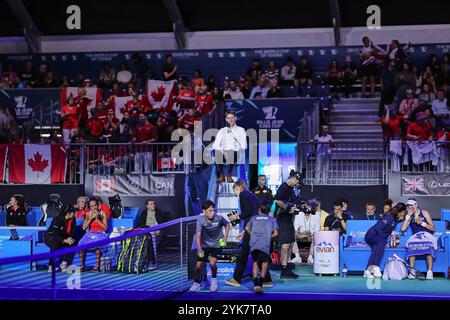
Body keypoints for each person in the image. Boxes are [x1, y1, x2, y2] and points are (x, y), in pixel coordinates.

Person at [225, 180, 274, 287]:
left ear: (237, 188)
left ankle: (236, 279)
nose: (234, 194)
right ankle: (267, 280)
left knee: (243, 254)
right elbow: (252, 213)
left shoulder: (243, 195)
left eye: (234, 191)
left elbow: (247, 212)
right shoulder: (251, 195)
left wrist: (236, 217)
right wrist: (244, 231)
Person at [189, 200, 229, 292]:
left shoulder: (219, 218)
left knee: (212, 263)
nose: (212, 212)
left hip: (217, 244)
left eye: (213, 210)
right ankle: (196, 283)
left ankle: (214, 280)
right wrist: (199, 248)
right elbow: (198, 235)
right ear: (204, 211)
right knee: (198, 266)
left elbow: (227, 225)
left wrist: (225, 239)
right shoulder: (200, 220)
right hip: (204, 244)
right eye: (210, 211)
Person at [364, 202, 406, 279]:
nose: (404, 214)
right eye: (404, 212)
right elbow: (378, 228)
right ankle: (376, 267)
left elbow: (394, 222)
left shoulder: (395, 218)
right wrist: (383, 239)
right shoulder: (390, 217)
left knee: (375, 250)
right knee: (381, 243)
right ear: (402, 212)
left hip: (375, 237)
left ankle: (367, 271)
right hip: (371, 235)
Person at [273, 170, 302, 279]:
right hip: (282, 219)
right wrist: (288, 208)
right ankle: (284, 270)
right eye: (297, 181)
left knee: (290, 243)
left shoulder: (290, 189)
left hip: (288, 219)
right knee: (285, 244)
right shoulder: (283, 187)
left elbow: (291, 201)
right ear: (293, 178)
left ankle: (286, 267)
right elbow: (277, 201)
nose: (297, 184)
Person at [245, 205, 278, 294]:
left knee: (255, 262)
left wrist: (252, 235)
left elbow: (246, 228)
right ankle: (260, 284)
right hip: (264, 244)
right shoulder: (271, 219)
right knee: (264, 264)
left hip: (254, 243)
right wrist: (268, 237)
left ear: (259, 210)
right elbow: (275, 233)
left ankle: (255, 285)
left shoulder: (253, 218)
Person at [401, 198, 436, 280]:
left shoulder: (424, 212)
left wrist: (422, 224)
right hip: (416, 236)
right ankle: (412, 271)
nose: (410, 207)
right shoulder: (408, 215)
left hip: (427, 235)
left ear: (416, 205)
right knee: (411, 245)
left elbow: (433, 228)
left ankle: (429, 272)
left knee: (429, 246)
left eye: (412, 205)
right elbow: (403, 229)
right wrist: (408, 217)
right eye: (408, 206)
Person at [212, 110, 247, 183]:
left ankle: (229, 174)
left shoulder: (241, 130)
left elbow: (243, 146)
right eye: (228, 118)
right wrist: (224, 152)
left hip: (236, 154)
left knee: (231, 152)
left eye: (232, 118)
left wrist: (230, 151)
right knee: (217, 152)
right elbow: (215, 145)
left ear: (235, 118)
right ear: (226, 119)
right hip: (224, 154)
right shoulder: (222, 130)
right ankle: (221, 175)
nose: (230, 120)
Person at [78, 198, 109, 272]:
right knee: (81, 243)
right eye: (91, 206)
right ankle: (81, 265)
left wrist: (98, 220)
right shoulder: (88, 214)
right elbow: (84, 227)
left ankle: (97, 266)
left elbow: (105, 228)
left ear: (98, 205)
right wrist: (90, 219)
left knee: (98, 244)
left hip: (101, 233)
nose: (93, 208)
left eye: (95, 205)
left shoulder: (103, 213)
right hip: (90, 233)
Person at [43, 205, 77, 272]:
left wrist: (70, 238)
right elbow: (55, 234)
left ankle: (64, 263)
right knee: (55, 243)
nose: (75, 213)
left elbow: (73, 231)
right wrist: (64, 240)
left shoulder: (73, 219)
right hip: (51, 236)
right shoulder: (57, 219)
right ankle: (51, 265)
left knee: (74, 243)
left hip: (64, 237)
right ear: (68, 213)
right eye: (73, 212)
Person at [137, 199, 167, 271]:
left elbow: (162, 224)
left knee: (153, 241)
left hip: (157, 230)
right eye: (151, 204)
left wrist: (158, 229)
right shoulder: (144, 213)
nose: (153, 205)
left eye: (153, 203)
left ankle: (153, 263)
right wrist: (149, 228)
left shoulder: (159, 212)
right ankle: (144, 262)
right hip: (147, 231)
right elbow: (141, 224)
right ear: (147, 206)